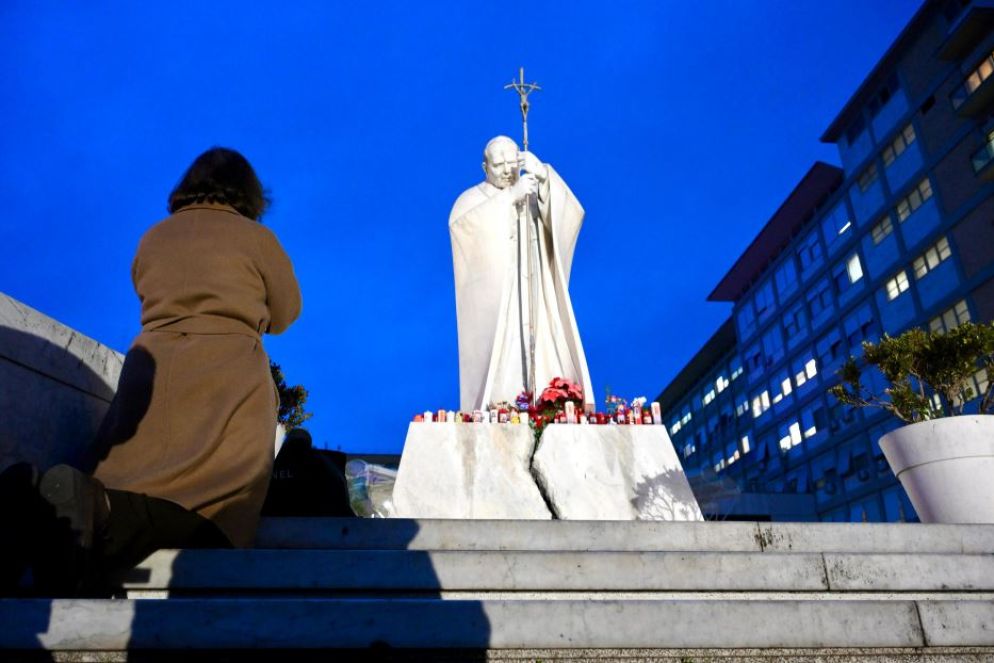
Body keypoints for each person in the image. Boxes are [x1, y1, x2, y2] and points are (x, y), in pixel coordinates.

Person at [2, 147, 301, 594]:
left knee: (134, 473)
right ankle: (96, 506)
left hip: (153, 369)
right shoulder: (257, 239)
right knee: (209, 504)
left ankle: (53, 501)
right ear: (250, 193)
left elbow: (144, 289)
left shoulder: (154, 238)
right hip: (228, 377)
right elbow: (286, 312)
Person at [449, 136, 594, 412]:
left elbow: (570, 215)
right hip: (499, 298)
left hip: (535, 292)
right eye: (498, 164)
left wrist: (543, 177)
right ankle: (502, 403)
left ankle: (551, 397)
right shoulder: (471, 200)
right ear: (484, 167)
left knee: (543, 340)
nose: (507, 170)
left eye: (512, 162)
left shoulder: (529, 189)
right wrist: (507, 200)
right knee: (504, 358)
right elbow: (463, 230)